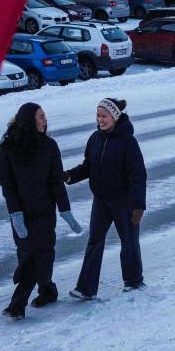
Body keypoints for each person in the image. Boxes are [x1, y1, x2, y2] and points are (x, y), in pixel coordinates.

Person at [0, 102, 82, 319]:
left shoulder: (50, 146)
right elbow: (7, 183)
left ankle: (17, 305)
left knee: (41, 255)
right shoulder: (8, 149)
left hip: (44, 211)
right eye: (41, 117)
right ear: (28, 121)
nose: (45, 121)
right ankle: (48, 289)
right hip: (21, 213)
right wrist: (15, 213)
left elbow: (55, 182)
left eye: (44, 116)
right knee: (26, 255)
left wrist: (65, 210)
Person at [66, 97, 146, 299]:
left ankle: (134, 281)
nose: (100, 120)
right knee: (94, 242)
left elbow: (137, 175)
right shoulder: (95, 138)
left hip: (124, 202)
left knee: (129, 242)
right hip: (101, 200)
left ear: (115, 116)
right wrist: (69, 176)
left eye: (104, 116)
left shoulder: (128, 142)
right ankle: (86, 288)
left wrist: (138, 206)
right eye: (98, 115)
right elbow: (88, 167)